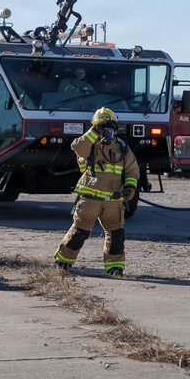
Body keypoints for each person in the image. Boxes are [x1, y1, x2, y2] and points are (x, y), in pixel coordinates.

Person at [54, 107, 139, 277]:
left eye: (109, 127)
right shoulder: (90, 146)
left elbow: (132, 170)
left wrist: (130, 188)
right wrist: (94, 131)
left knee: (117, 235)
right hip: (90, 199)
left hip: (113, 201)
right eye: (103, 127)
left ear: (115, 128)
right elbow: (77, 147)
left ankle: (115, 268)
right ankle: (62, 262)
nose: (106, 131)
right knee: (80, 232)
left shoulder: (123, 149)